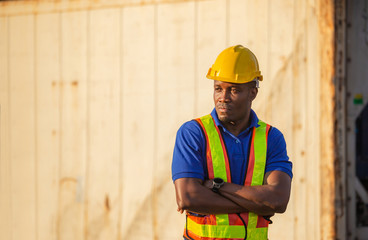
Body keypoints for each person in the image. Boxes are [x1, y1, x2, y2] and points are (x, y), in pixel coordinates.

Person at [171, 45, 293, 240]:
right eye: (218, 89)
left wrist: (218, 187)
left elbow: (278, 200)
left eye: (234, 90)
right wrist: (257, 205)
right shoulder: (194, 133)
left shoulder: (272, 137)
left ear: (253, 93)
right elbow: (188, 197)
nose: (223, 98)